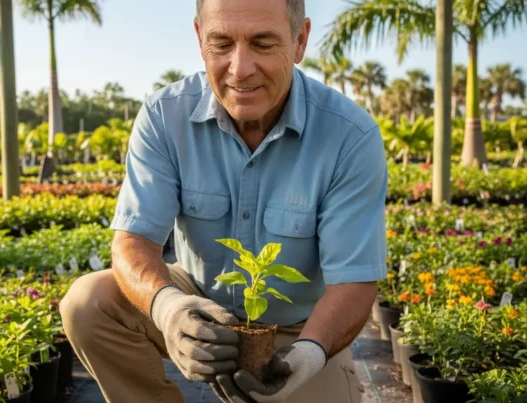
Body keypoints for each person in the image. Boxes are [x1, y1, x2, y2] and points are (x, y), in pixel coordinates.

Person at [59, 0, 388, 401]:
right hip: (197, 304)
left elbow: (354, 282)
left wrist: (307, 354)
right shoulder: (166, 116)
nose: (240, 68)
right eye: (222, 43)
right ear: (200, 38)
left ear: (300, 40)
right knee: (89, 303)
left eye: (263, 44)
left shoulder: (348, 135)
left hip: (300, 329)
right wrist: (170, 310)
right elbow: (133, 242)